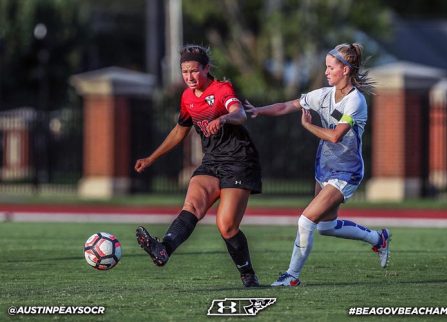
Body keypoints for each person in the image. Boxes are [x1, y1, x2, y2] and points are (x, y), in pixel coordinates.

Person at [244, 43, 390, 286]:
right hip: (324, 169)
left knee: (305, 221)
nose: (326, 72)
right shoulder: (322, 95)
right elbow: (287, 106)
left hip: (346, 172)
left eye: (330, 67)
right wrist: (258, 110)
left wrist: (308, 126)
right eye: (326, 67)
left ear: (345, 70)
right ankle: (378, 239)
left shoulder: (356, 101)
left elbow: (336, 136)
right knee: (325, 226)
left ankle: (291, 276)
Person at [134, 45, 262, 287]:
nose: (189, 77)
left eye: (194, 71)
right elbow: (179, 131)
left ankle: (248, 274)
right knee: (191, 206)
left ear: (206, 68)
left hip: (239, 161)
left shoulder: (221, 89)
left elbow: (240, 114)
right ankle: (163, 249)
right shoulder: (187, 97)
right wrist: (152, 158)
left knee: (226, 226)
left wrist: (223, 117)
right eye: (184, 72)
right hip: (212, 160)